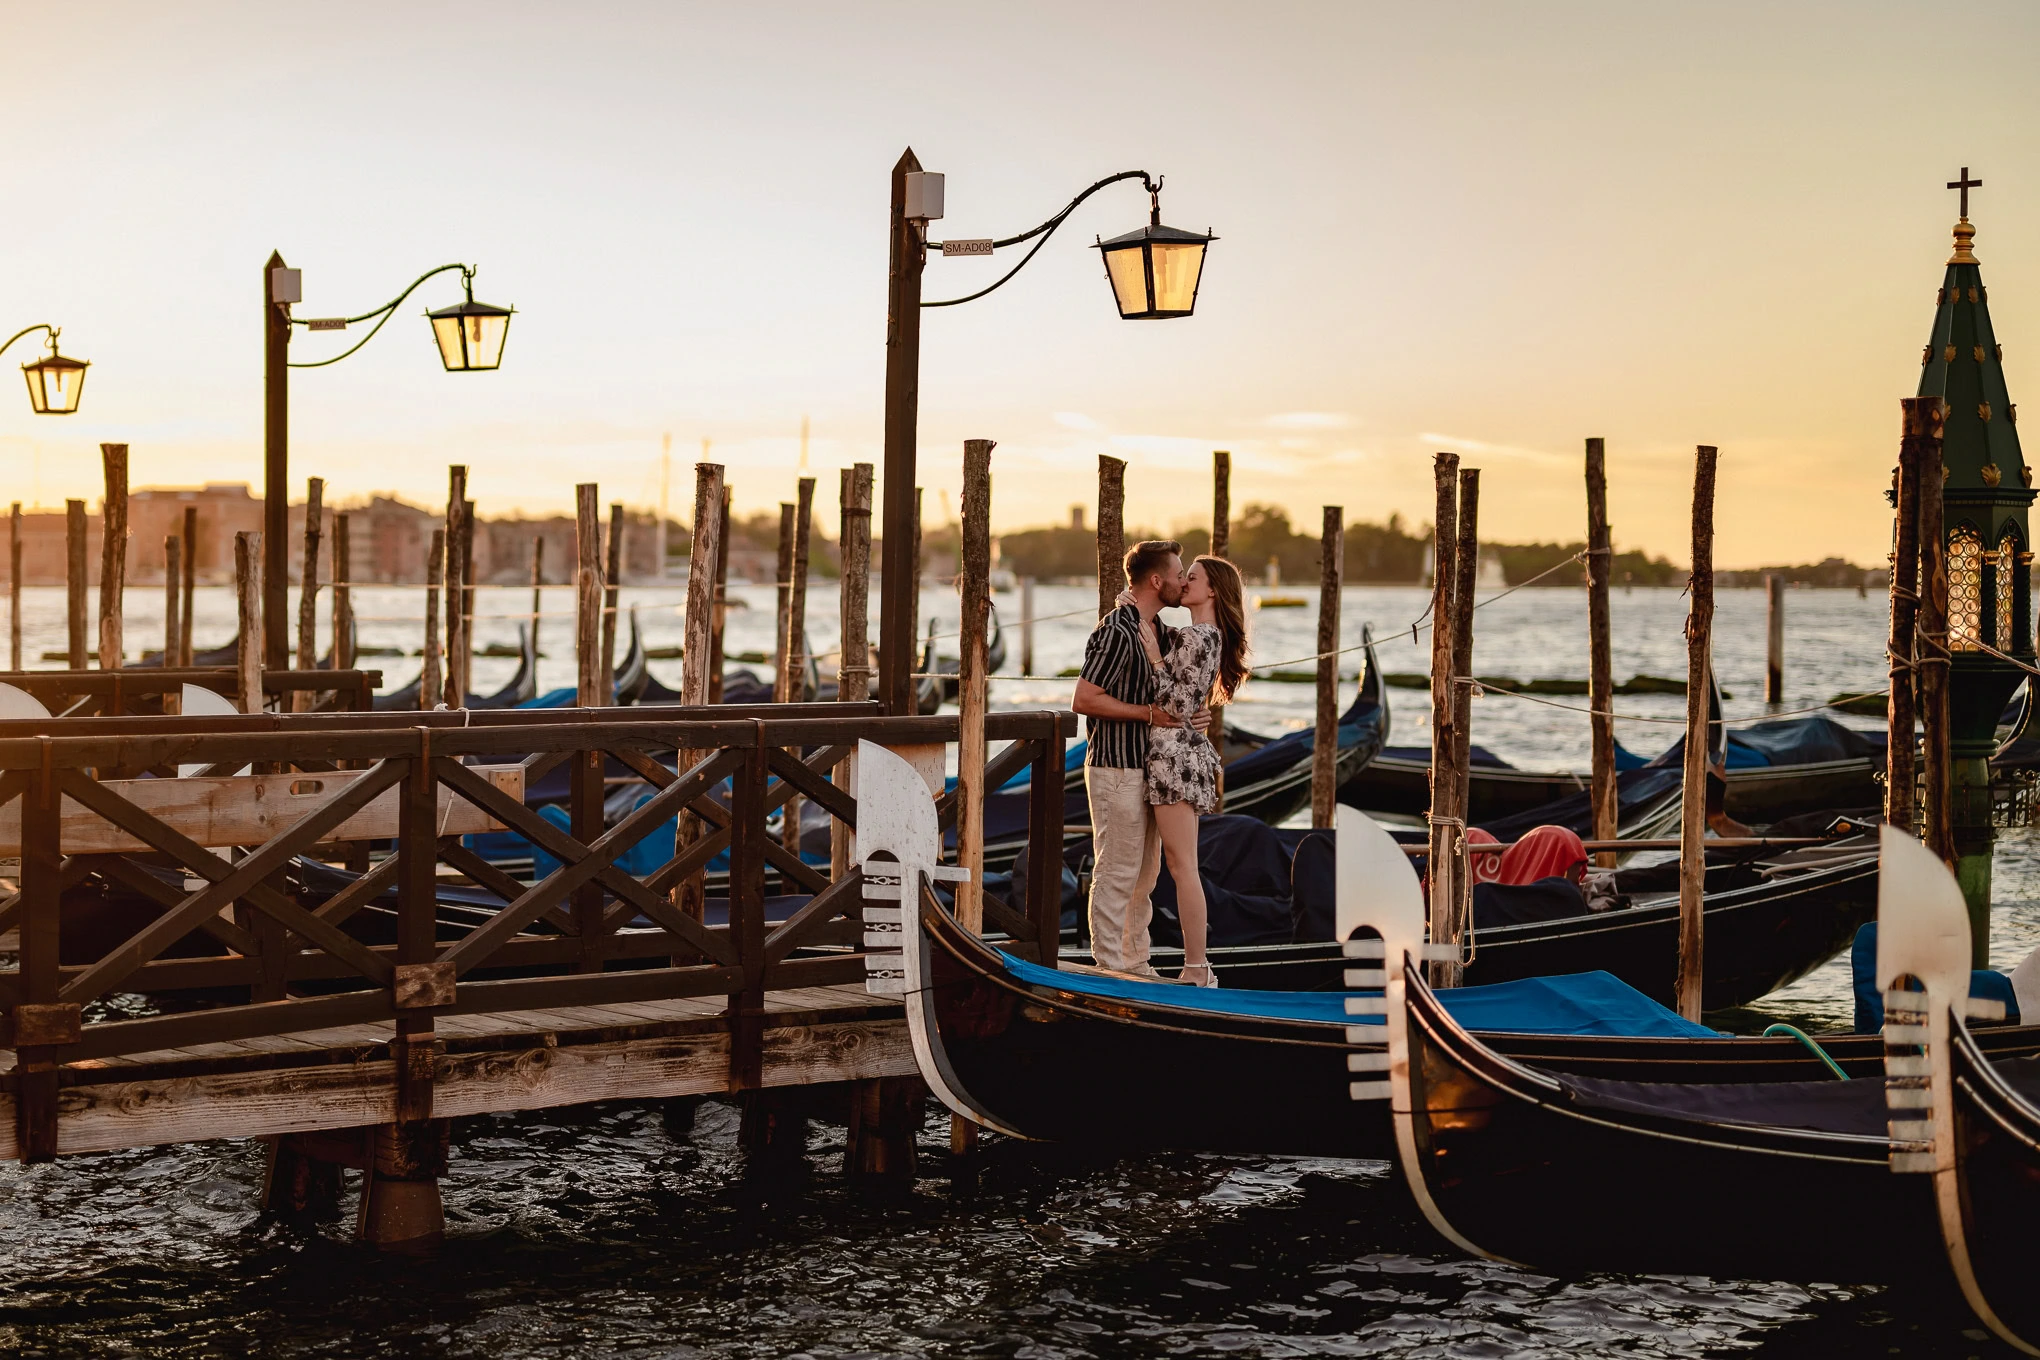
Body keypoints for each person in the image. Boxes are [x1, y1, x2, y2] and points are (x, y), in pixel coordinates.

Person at [1071, 540, 1197, 976]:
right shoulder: (1117, 631)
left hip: (1149, 770)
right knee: (1117, 871)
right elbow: (1084, 699)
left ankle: (1136, 964)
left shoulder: (1159, 632)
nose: (1184, 582)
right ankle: (1109, 966)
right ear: (1156, 580)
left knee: (1145, 877)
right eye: (1179, 574)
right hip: (1115, 768)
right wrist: (1148, 714)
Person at [1132, 555, 1250, 986]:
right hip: (1178, 756)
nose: (1184, 584)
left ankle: (1197, 968)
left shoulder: (1198, 636)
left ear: (1212, 590)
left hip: (1173, 759)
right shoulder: (1204, 635)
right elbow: (1191, 704)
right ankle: (1194, 966)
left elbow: (1176, 705)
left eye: (1193, 578)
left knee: (1182, 868)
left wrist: (1154, 659)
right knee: (1181, 866)